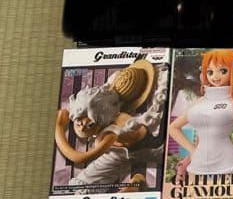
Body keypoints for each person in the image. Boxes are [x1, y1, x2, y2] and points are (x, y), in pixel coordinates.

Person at [54, 57, 168, 189]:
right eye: (79, 119)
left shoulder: (112, 131)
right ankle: (136, 185)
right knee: (82, 186)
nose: (81, 125)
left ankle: (135, 186)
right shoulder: (106, 109)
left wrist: (59, 126)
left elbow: (78, 157)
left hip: (151, 150)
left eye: (89, 123)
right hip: (120, 153)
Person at [170, 50, 233, 179]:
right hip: (196, 167)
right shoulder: (201, 101)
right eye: (210, 72)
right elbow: (173, 128)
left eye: (223, 71)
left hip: (231, 166)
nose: (215, 77)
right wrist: (192, 151)